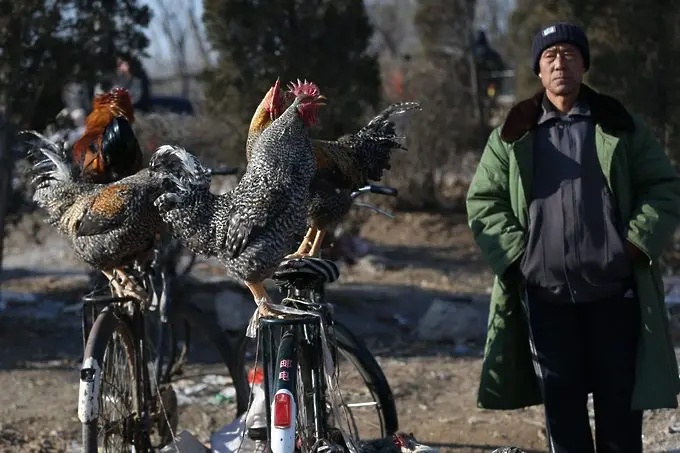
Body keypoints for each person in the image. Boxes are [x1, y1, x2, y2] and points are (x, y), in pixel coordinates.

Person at [466, 22, 680, 453]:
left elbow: (663, 186)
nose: (559, 63)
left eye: (569, 54)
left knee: (620, 414)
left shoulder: (619, 124)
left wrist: (636, 244)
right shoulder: (513, 133)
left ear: (584, 65)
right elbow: (483, 201)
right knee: (563, 417)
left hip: (613, 294)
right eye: (550, 56)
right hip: (547, 298)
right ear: (538, 72)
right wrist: (519, 258)